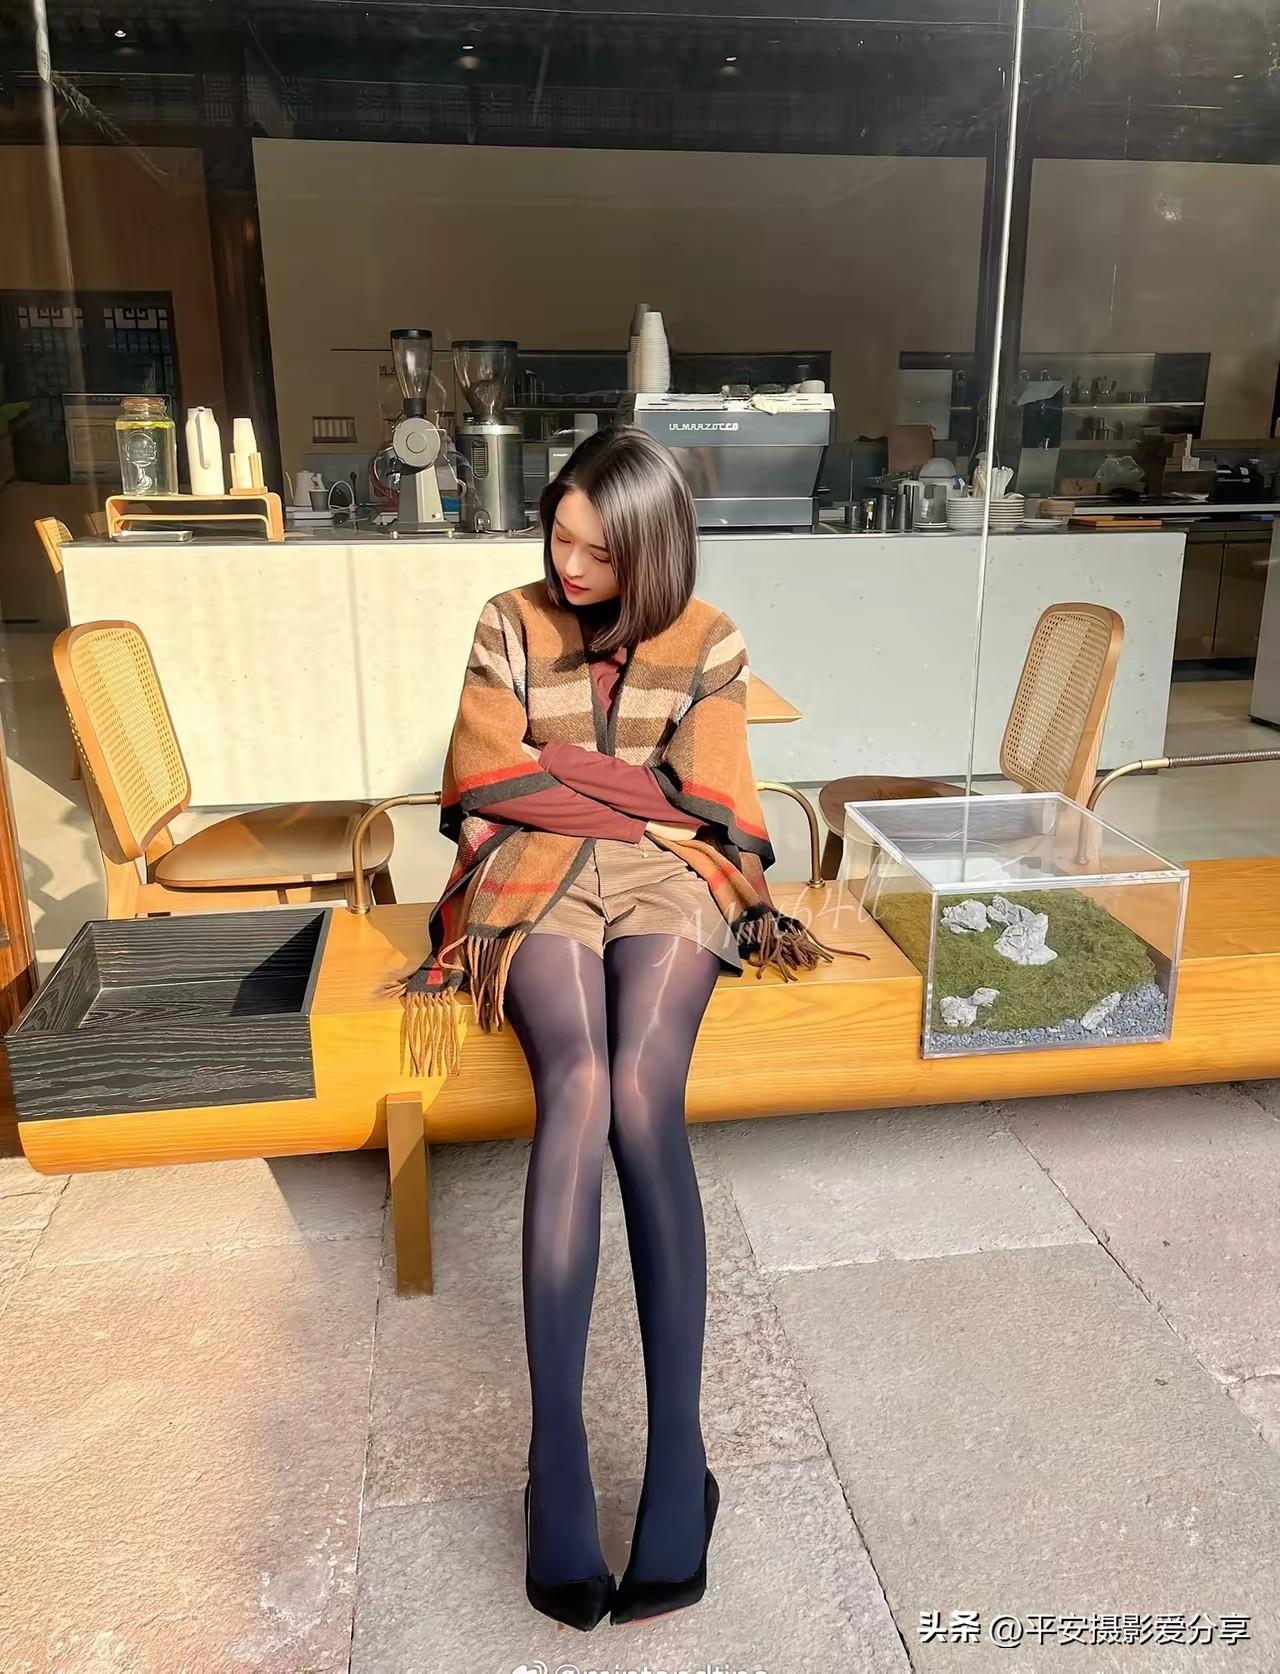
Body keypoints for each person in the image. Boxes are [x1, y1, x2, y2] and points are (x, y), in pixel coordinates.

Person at [390, 426, 832, 1631]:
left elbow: (713, 807)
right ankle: (558, 1459)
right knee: (577, 1083)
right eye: (559, 536)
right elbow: (483, 780)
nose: (569, 565)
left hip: (671, 877)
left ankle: (679, 1455)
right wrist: (632, 797)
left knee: (641, 1092)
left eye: (599, 549)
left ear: (654, 548)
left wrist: (570, 769)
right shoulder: (506, 620)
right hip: (530, 868)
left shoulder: (709, 639)